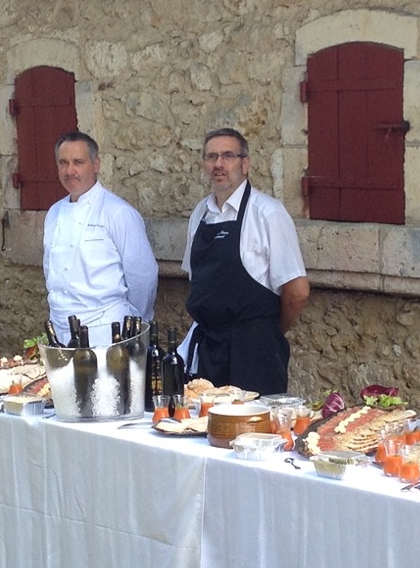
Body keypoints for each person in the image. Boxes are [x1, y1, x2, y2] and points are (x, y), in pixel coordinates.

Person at [181, 128, 310, 395]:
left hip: (255, 351)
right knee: (206, 420)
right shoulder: (200, 214)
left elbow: (297, 291)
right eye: (212, 157)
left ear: (245, 163)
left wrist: (266, 331)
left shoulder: (268, 213)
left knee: (253, 421)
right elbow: (197, 281)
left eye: (228, 156)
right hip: (209, 349)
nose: (219, 164)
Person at [42, 131, 158, 346]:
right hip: (59, 330)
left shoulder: (118, 213)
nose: (70, 171)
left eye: (78, 162)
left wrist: (132, 324)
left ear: (96, 165)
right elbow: (51, 271)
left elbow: (143, 276)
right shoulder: (54, 213)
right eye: (63, 163)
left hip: (106, 332)